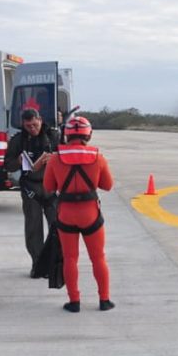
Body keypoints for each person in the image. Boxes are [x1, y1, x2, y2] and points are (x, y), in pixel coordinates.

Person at [43, 116, 115, 313]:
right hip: (90, 214)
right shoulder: (98, 157)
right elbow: (108, 185)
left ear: (66, 134)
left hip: (66, 214)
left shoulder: (55, 158)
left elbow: (48, 187)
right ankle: (104, 300)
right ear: (88, 135)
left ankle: (74, 301)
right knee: (98, 258)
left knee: (70, 258)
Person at [4, 108, 60, 278]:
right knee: (33, 228)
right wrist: (17, 161)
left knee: (57, 227)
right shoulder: (18, 140)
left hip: (51, 189)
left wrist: (55, 158)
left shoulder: (54, 136)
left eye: (35, 124)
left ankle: (54, 263)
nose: (32, 128)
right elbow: (7, 164)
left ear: (40, 120)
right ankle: (38, 264)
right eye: (28, 126)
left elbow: (67, 157)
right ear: (23, 124)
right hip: (31, 189)